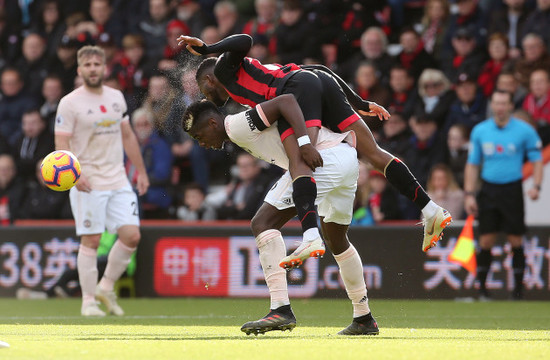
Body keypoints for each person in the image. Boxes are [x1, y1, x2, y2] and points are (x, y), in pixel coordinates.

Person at [178, 33, 452, 253]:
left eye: (203, 89)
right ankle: (431, 209)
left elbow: (245, 40)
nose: (207, 96)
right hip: (317, 82)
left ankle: (310, 236)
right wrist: (361, 103)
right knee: (375, 154)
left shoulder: (225, 71)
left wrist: (206, 49)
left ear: (208, 79)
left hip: (294, 93)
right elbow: (320, 70)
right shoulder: (258, 72)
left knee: (299, 160)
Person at [182, 94, 379, 336]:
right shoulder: (238, 131)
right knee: (337, 240)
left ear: (213, 124)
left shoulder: (236, 125)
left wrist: (305, 144)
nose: (201, 144)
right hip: (345, 157)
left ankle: (280, 308)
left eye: (199, 137)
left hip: (321, 159)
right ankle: (363, 317)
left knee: (262, 223)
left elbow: (286, 101)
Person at [55, 45, 150, 317]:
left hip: (118, 177)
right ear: (79, 69)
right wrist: (75, 175)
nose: (93, 68)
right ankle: (88, 302)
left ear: (104, 67)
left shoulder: (116, 97)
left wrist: (141, 172)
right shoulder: (69, 102)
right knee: (92, 240)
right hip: (87, 179)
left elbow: (128, 136)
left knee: (132, 236)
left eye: (97, 64)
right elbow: (61, 142)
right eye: (88, 65)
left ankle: (105, 286)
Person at [464, 89, 543, 300]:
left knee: (516, 239)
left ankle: (518, 291)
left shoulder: (524, 131)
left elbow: (537, 160)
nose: (500, 107)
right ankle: (482, 290)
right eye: (496, 103)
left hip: (512, 189)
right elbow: (472, 165)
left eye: (504, 103)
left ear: (510, 106)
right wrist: (470, 194)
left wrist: (536, 185)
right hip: (489, 188)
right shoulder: (480, 131)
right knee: (486, 239)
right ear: (492, 106)